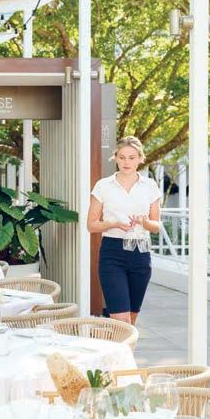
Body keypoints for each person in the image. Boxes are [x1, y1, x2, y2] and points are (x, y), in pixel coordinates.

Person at [87, 136, 162, 326]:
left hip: (141, 253)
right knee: (121, 320)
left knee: (131, 320)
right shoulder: (103, 185)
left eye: (131, 157)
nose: (126, 162)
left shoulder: (150, 186)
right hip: (112, 253)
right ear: (115, 158)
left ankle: (122, 347)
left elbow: (156, 226)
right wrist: (114, 224)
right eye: (122, 157)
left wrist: (144, 222)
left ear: (140, 159)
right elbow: (91, 225)